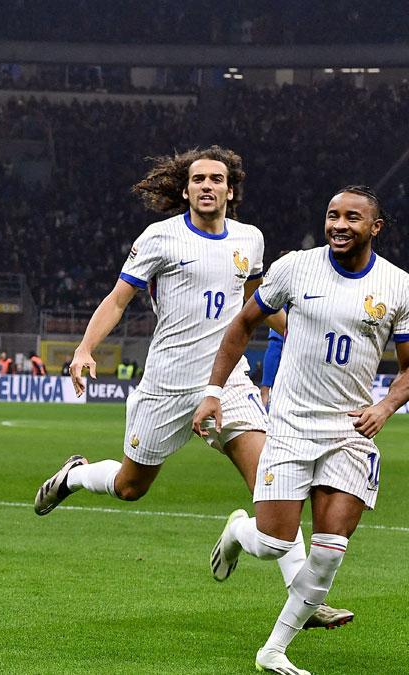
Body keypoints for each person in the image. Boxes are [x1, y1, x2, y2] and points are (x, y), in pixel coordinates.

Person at [33, 146, 351, 629]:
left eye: (216, 179)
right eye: (198, 179)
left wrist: (305, 335)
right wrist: (83, 349)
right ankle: (74, 475)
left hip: (227, 385)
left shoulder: (250, 239)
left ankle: (303, 602)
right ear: (185, 190)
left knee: (273, 482)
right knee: (130, 487)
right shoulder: (160, 238)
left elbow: (256, 306)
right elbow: (118, 300)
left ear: (230, 190)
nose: (207, 186)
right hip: (166, 386)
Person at [192, 186, 407, 675]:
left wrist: (387, 406)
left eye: (353, 217)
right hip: (289, 426)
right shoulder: (294, 267)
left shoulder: (398, 286)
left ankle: (273, 650)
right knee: (273, 543)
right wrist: (212, 391)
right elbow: (241, 326)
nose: (339, 224)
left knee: (330, 550)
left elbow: (408, 369)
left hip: (351, 431)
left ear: (375, 227)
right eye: (332, 215)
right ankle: (238, 531)